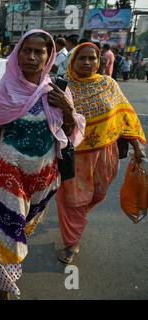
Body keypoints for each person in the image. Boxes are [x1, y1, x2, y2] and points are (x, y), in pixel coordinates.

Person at [0, 29, 85, 300]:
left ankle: (9, 271)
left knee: (23, 228)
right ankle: (5, 287)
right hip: (9, 171)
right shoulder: (5, 90)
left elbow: (69, 135)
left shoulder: (57, 91)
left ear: (49, 57)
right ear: (17, 54)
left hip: (43, 177)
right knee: (8, 229)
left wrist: (68, 111)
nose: (32, 57)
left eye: (39, 52)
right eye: (27, 50)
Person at [56, 42, 146, 264]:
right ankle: (71, 242)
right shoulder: (63, 87)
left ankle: (76, 222)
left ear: (99, 61)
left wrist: (137, 146)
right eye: (82, 58)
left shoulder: (109, 84)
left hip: (106, 154)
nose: (87, 62)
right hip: (74, 156)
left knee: (97, 194)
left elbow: (125, 115)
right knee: (72, 201)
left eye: (92, 58)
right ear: (73, 61)